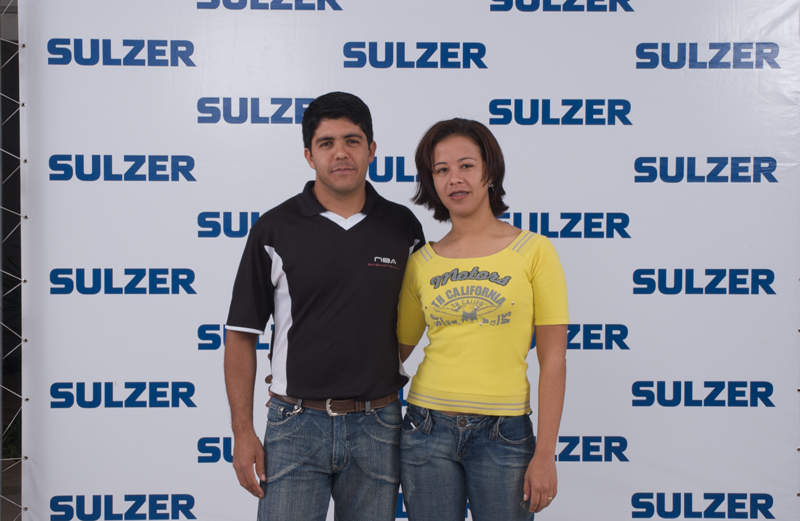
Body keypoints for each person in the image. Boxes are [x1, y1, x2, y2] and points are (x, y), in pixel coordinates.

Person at [224, 91, 425, 521]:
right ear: (308, 155)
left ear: (371, 149)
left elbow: (420, 316)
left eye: (352, 141)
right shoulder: (274, 229)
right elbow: (241, 334)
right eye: (326, 143)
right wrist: (242, 431)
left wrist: (375, 361)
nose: (341, 153)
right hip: (296, 424)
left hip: (379, 424)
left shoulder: (403, 227)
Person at [397, 118, 568, 521]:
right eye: (441, 170)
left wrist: (545, 453)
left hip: (504, 433)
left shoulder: (534, 251)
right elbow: (391, 352)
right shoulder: (421, 262)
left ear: (490, 171)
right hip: (426, 428)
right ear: (432, 182)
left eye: (466, 165)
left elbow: (553, 359)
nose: (454, 178)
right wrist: (302, 370)